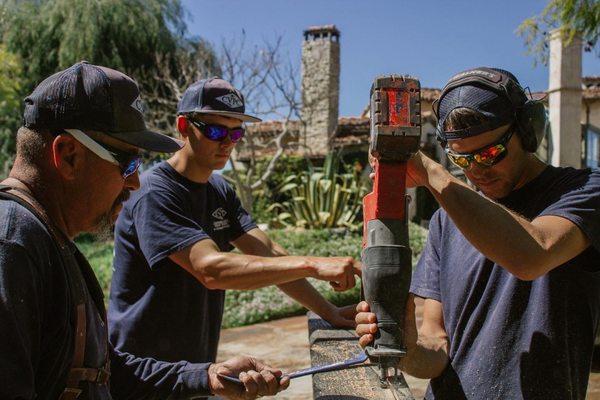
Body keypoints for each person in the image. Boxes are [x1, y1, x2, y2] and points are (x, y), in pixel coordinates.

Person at [0, 62, 288, 399]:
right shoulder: (12, 244)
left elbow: (103, 372)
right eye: (128, 163)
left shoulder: (48, 239)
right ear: (68, 155)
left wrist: (207, 377)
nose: (135, 181)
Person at [107, 77, 361, 397]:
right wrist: (313, 264)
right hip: (143, 375)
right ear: (184, 126)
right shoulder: (154, 192)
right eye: (215, 131)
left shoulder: (219, 190)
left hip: (195, 372)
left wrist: (329, 311)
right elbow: (211, 269)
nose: (227, 142)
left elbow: (267, 252)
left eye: (236, 131)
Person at [356, 67, 600, 399]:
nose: (476, 170)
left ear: (528, 131)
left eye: (489, 153)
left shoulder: (583, 191)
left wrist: (432, 173)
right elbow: (438, 349)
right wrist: (407, 347)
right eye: (462, 158)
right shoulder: (446, 221)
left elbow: (533, 254)